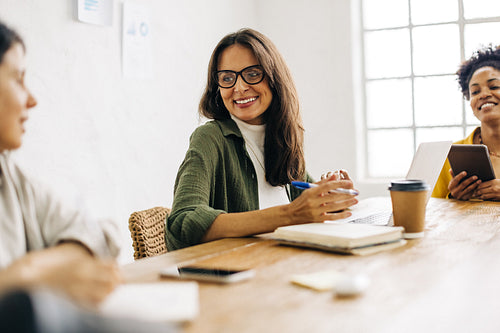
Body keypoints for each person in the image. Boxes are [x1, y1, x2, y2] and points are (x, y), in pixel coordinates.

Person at [166, 28, 358, 250]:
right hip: (238, 279)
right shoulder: (211, 138)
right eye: (227, 78)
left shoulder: (282, 138)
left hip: (283, 268)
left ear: (274, 78)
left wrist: (328, 195)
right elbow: (182, 222)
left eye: (252, 74)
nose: (239, 87)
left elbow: (305, 206)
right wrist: (289, 215)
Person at [0, 21, 122, 307]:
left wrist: (36, 271)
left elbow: (102, 233)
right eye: (17, 79)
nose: (32, 100)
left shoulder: (10, 175)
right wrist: (27, 280)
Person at [433, 45, 500, 201]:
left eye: (494, 86)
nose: (483, 94)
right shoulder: (449, 156)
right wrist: (454, 199)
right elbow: (431, 214)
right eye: (475, 92)